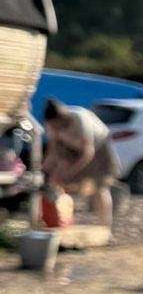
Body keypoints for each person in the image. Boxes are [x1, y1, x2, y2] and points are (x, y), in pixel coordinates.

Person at [40, 98, 119, 228]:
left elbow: (88, 153)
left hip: (98, 147)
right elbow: (53, 150)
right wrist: (46, 170)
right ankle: (61, 221)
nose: (56, 128)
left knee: (99, 188)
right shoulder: (51, 124)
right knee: (56, 180)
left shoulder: (79, 118)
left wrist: (69, 173)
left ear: (62, 118)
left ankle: (105, 227)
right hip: (72, 148)